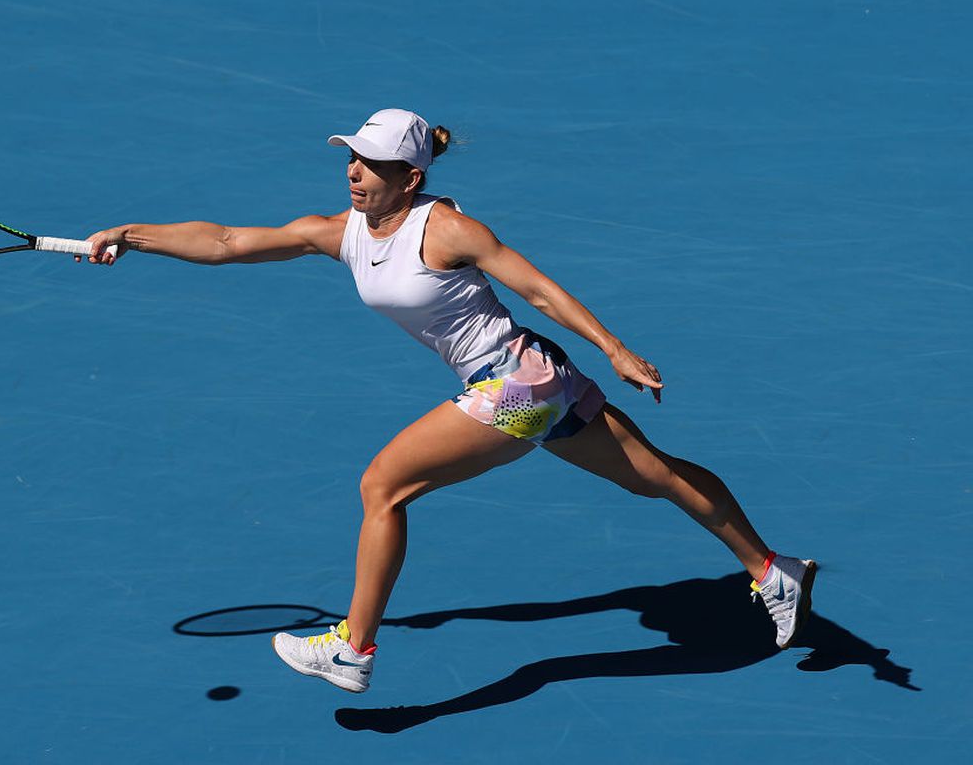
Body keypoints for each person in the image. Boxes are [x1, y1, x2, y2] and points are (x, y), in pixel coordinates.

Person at [79, 108, 817, 694]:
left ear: (411, 176)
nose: (355, 173)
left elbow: (537, 289)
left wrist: (616, 348)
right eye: (352, 158)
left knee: (383, 485)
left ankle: (353, 648)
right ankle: (771, 569)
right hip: (537, 378)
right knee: (656, 475)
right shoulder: (342, 233)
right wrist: (132, 234)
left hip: (518, 383)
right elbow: (229, 242)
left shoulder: (450, 229)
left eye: (372, 164)